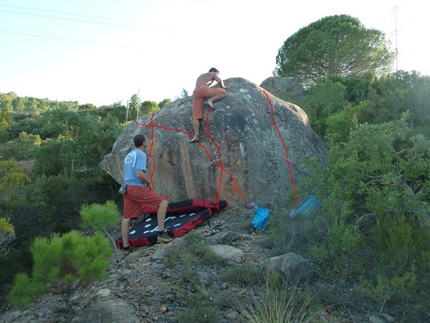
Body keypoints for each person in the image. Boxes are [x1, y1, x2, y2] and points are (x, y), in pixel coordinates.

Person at [121, 133, 173, 253]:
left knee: (126, 218)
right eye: (146, 140)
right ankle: (161, 233)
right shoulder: (141, 154)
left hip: (127, 188)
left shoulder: (129, 155)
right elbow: (139, 174)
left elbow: (134, 170)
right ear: (144, 143)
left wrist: (147, 165)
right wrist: (148, 182)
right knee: (163, 203)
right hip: (137, 188)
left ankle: (125, 247)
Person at [190, 67, 227, 143]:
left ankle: (196, 136)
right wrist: (222, 86)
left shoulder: (201, 76)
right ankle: (210, 100)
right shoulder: (213, 73)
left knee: (196, 116)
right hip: (204, 90)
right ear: (214, 71)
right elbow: (220, 81)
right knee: (223, 92)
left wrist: (212, 81)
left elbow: (204, 85)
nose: (217, 75)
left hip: (196, 92)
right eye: (218, 74)